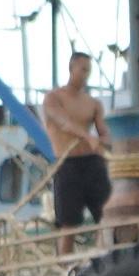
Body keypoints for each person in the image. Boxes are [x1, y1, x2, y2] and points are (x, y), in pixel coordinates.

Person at [38, 52, 112, 231]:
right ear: (72, 69)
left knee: (106, 219)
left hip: (93, 163)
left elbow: (105, 134)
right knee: (69, 225)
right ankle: (66, 260)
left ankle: (102, 255)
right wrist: (88, 137)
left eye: (89, 71)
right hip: (67, 164)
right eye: (83, 69)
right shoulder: (53, 98)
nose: (86, 75)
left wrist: (107, 142)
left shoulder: (94, 103)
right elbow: (64, 123)